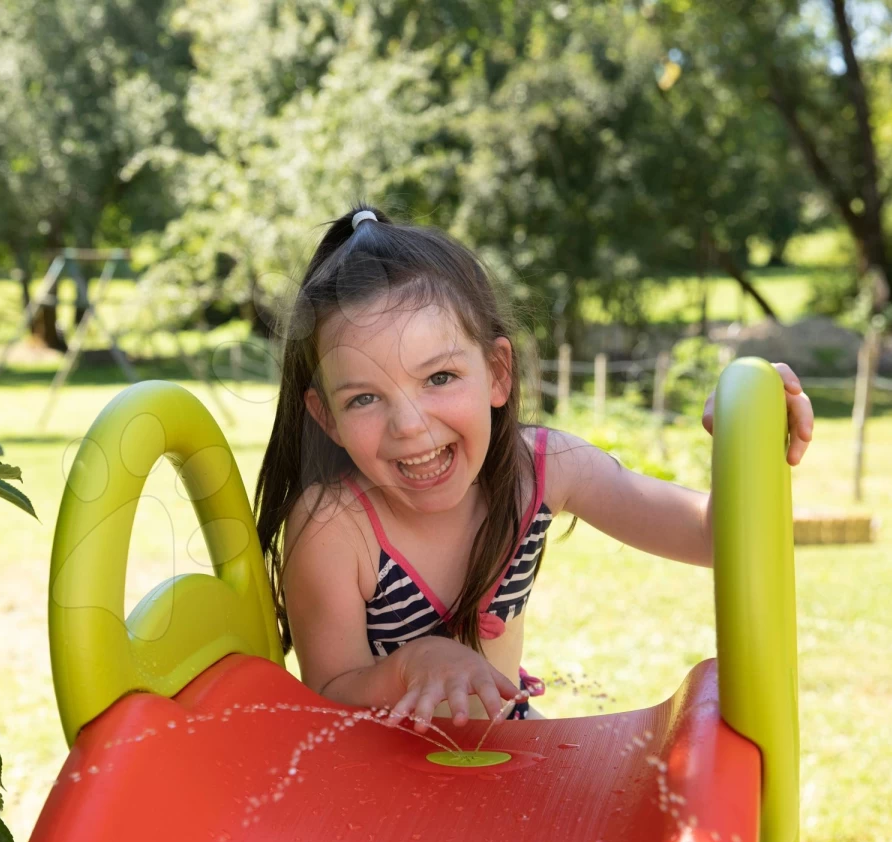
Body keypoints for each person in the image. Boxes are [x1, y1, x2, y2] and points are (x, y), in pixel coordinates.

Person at [253, 206, 814, 734]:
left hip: (509, 750)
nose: (410, 426)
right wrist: (411, 663)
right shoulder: (334, 526)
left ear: (498, 373)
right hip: (378, 783)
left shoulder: (544, 469)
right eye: (364, 399)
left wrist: (748, 431)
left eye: (439, 378)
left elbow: (715, 539)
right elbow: (328, 694)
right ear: (327, 418)